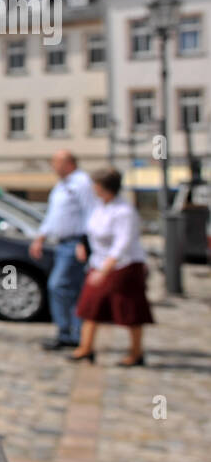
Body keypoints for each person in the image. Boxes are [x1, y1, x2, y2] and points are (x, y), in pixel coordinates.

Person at [70, 168, 153, 366]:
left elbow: (122, 244)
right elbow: (90, 230)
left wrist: (104, 271)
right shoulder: (100, 206)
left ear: (103, 187)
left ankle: (136, 352)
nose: (92, 188)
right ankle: (86, 348)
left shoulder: (124, 211)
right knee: (90, 306)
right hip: (98, 263)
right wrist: (83, 245)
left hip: (124, 266)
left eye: (95, 184)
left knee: (129, 310)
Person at [30, 150, 96, 351]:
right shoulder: (62, 185)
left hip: (75, 243)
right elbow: (53, 215)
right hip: (62, 243)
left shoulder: (81, 183)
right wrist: (40, 237)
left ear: (68, 163)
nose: (53, 166)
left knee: (58, 286)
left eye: (55, 162)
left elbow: (90, 213)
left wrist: (85, 242)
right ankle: (71, 333)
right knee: (70, 289)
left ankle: (69, 333)